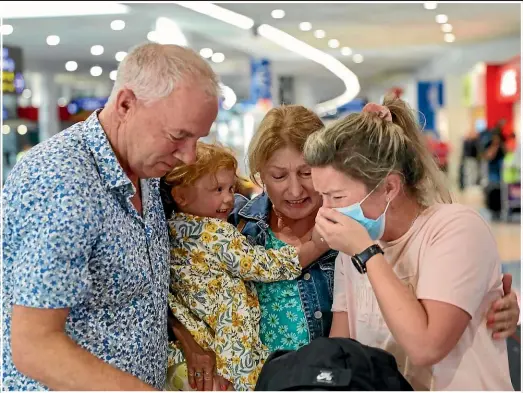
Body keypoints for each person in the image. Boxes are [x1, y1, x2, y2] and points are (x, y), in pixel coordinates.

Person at [169, 104, 520, 390]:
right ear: (259, 175)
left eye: (310, 177)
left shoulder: (358, 239)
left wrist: (488, 304)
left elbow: (427, 341)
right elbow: (339, 349)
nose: (297, 192)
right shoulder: (234, 231)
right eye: (278, 176)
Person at [2, 42, 219, 391]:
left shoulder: (143, 170)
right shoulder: (62, 181)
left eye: (197, 139)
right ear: (125, 104)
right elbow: (34, 346)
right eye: (178, 136)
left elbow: (138, 297)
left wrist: (189, 344)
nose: (189, 157)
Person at [305, 99, 514, 390]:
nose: (325, 211)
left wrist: (367, 253)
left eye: (337, 198)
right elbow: (344, 351)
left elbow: (426, 347)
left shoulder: (456, 228)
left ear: (390, 187)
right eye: (322, 196)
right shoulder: (352, 247)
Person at [162, 142, 327, 391]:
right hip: (232, 355)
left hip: (191, 351)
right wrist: (318, 244)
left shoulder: (170, 230)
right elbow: (262, 264)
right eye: (217, 189)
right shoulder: (217, 232)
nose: (229, 199)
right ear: (181, 196)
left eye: (230, 188)